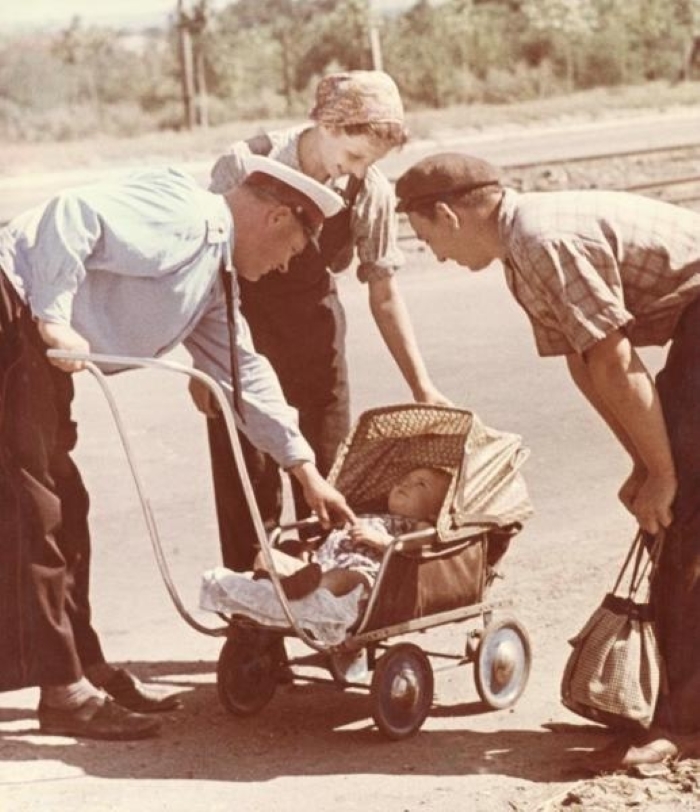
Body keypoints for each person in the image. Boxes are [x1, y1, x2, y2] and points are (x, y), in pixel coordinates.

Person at [0, 155, 356, 740]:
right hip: (13, 316)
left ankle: (82, 667)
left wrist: (305, 469)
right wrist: (55, 316)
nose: (286, 264)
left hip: (33, 341)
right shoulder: (186, 216)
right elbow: (73, 215)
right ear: (274, 218)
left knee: (67, 505)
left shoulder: (213, 277)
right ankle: (63, 690)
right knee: (33, 512)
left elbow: (244, 372)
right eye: (293, 248)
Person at [393, 151, 700, 767]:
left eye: (428, 240)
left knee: (686, 518)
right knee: (673, 514)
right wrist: (645, 466)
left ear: (449, 215)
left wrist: (664, 474)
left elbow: (614, 360)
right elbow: (585, 364)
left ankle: (684, 724)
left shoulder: (540, 239)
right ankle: (674, 707)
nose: (438, 256)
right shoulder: (520, 251)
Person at [193, 70, 450, 574]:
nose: (354, 171)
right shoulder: (246, 162)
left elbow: (384, 291)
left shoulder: (369, 189)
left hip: (316, 335)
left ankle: (331, 602)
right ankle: (252, 615)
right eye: (353, 156)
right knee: (248, 485)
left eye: (369, 162)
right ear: (328, 125)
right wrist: (205, 365)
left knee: (328, 476)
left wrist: (421, 384)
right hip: (240, 329)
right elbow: (207, 270)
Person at [254, 466, 451, 600]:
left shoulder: (420, 525)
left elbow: (417, 542)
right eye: (404, 480)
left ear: (436, 510)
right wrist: (309, 549)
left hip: (363, 573)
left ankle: (299, 590)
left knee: (342, 578)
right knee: (265, 556)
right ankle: (290, 586)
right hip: (320, 564)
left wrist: (380, 540)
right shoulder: (371, 514)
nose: (405, 484)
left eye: (421, 484)